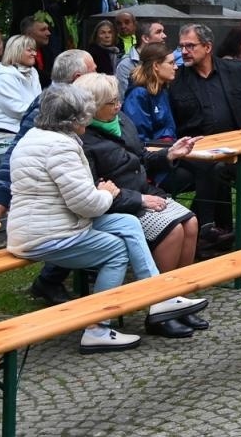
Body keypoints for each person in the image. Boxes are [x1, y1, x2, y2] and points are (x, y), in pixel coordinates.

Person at [5, 85, 206, 351]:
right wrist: (108, 194)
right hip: (48, 234)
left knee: (128, 223)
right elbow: (87, 204)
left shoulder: (36, 137)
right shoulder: (61, 147)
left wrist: (104, 193)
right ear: (73, 119)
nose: (87, 121)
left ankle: (160, 296)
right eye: (84, 116)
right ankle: (97, 328)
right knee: (116, 251)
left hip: (53, 222)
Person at [74, 74, 203, 313]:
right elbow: (94, 190)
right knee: (172, 231)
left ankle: (179, 296)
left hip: (143, 192)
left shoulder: (121, 120)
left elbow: (141, 157)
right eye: (111, 103)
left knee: (192, 222)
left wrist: (169, 155)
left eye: (117, 100)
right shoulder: (84, 139)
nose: (118, 106)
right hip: (117, 205)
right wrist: (139, 199)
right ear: (91, 107)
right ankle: (161, 304)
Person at [0, 49, 97, 304]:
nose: (98, 74)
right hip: (52, 198)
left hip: (78, 181)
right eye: (94, 70)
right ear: (78, 77)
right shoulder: (50, 104)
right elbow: (18, 149)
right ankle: (52, 282)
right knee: (89, 217)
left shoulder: (79, 99)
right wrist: (0, 198)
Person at [168, 23, 241, 243]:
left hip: (236, 143)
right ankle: (211, 229)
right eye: (181, 47)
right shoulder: (177, 81)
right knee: (219, 167)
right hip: (196, 150)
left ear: (207, 47)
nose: (184, 52)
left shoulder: (234, 70)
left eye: (190, 46)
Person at [122, 41, 179, 145]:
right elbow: (140, 138)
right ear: (156, 66)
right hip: (152, 155)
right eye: (171, 63)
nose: (176, 67)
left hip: (168, 150)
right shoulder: (138, 95)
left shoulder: (162, 90)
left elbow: (168, 127)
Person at [0, 34, 44, 133]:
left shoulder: (32, 73)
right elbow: (17, 110)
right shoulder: (3, 78)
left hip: (28, 126)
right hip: (5, 130)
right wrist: (49, 113)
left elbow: (39, 101)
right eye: (29, 50)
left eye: (34, 50)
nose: (34, 53)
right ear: (17, 51)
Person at [114, 20, 168, 97]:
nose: (164, 35)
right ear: (146, 38)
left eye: (163, 31)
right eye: (158, 32)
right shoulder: (126, 65)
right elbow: (125, 98)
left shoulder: (165, 59)